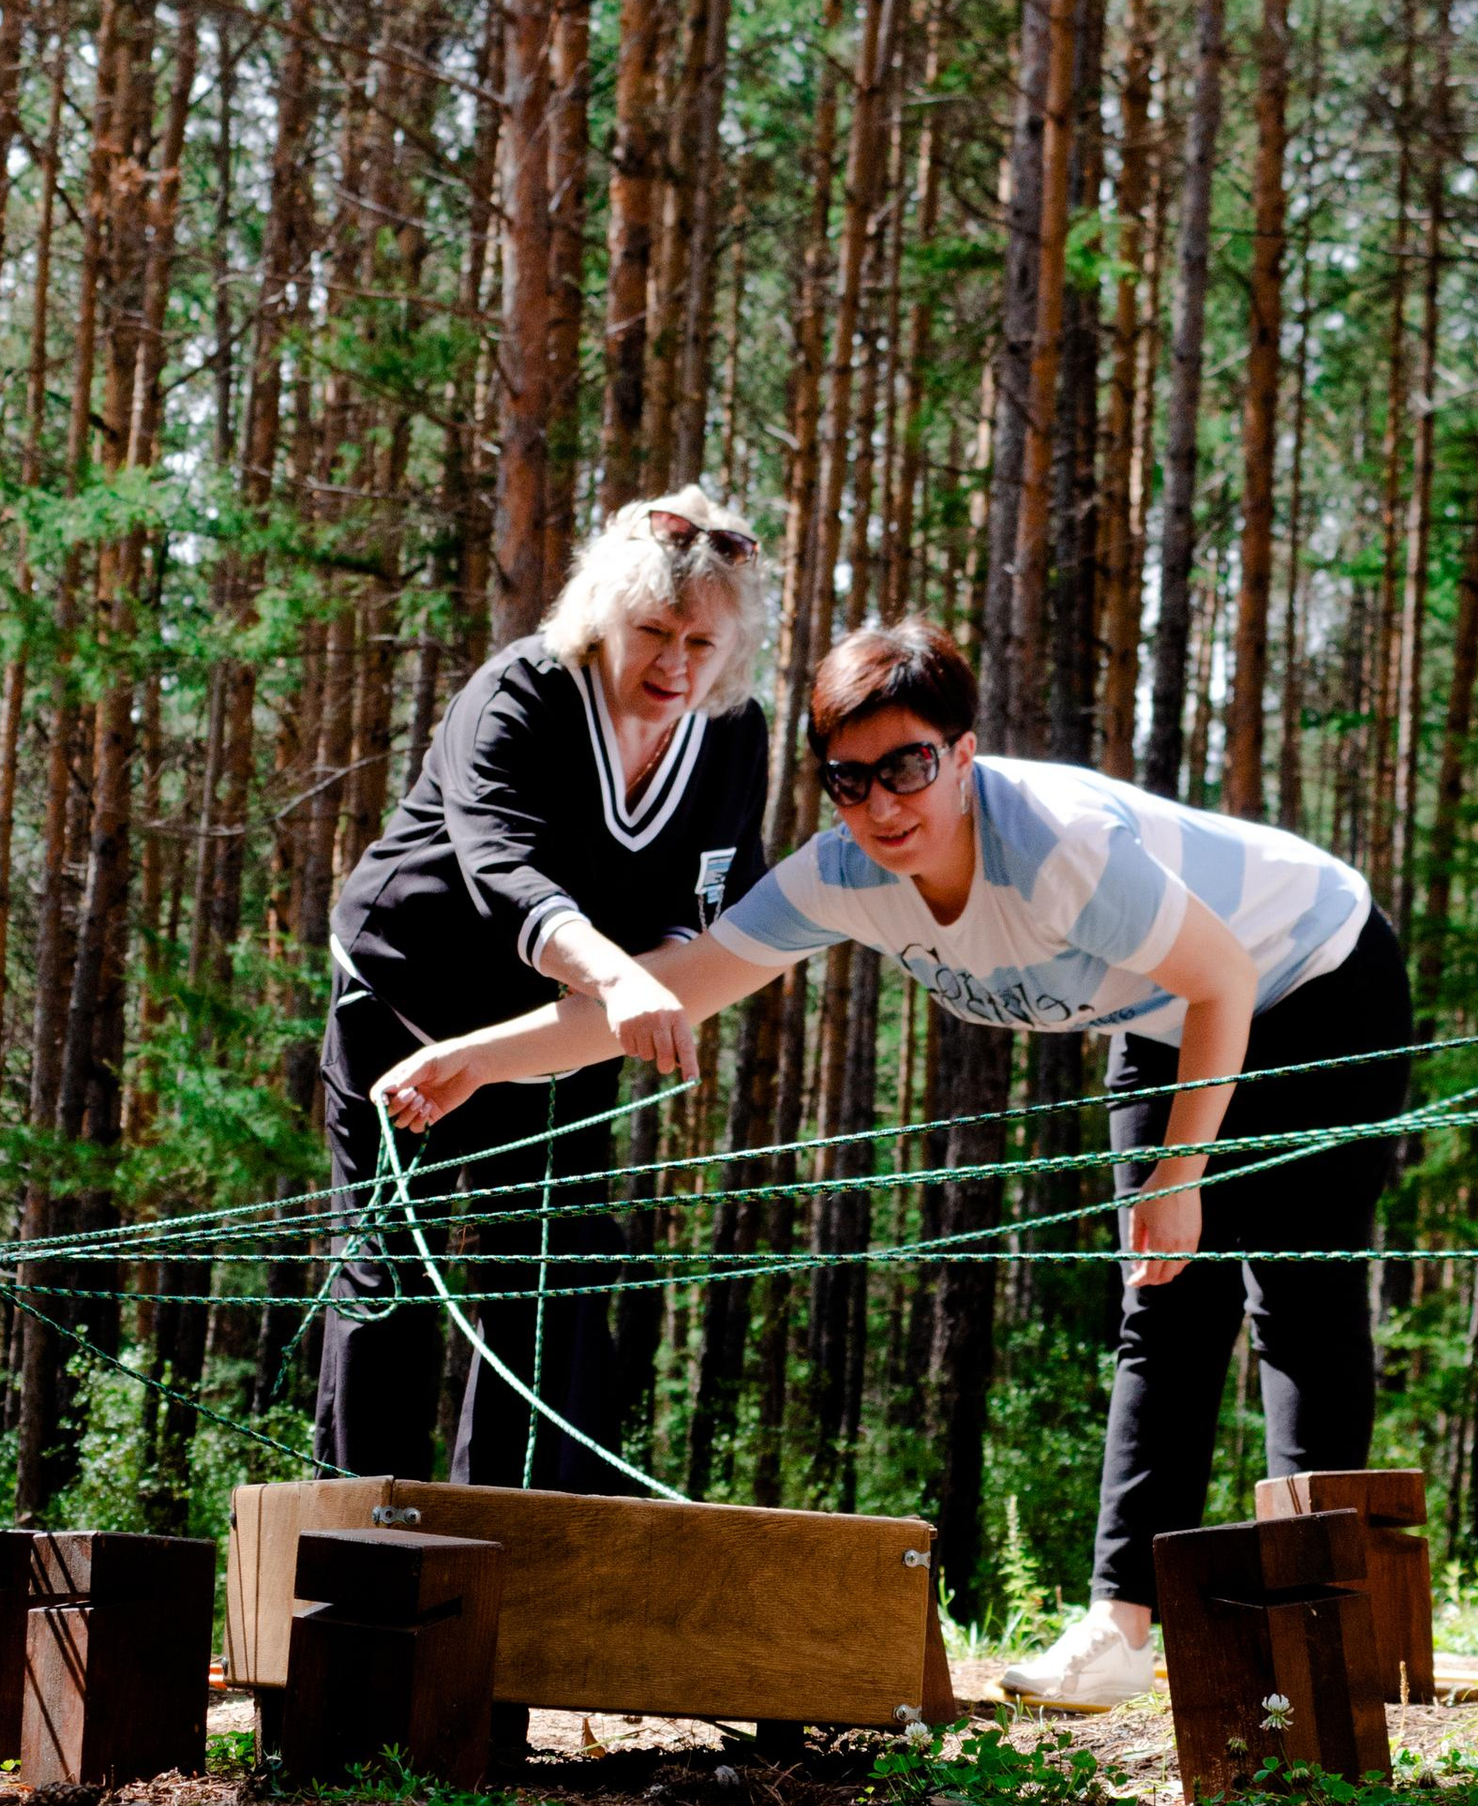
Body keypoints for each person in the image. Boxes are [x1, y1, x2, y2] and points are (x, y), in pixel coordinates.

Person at [377, 614, 1413, 1705]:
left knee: (1294, 1291)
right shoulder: (841, 874)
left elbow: (1222, 982)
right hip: (1163, 1018)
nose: (882, 806)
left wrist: (1179, 1175)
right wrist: (477, 1061)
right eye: (849, 779)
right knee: (1159, 1300)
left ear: (963, 754)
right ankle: (1117, 1626)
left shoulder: (1058, 848)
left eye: (909, 767)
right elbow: (676, 989)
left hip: (1312, 976)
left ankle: (1317, 1617)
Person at [320, 485, 771, 1490]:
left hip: (563, 1029)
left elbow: (712, 887)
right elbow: (501, 869)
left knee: (555, 1274)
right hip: (408, 1002)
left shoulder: (736, 733)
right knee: (390, 1269)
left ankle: (515, 1548)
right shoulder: (520, 691)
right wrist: (619, 977)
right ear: (599, 614)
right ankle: (355, 1539)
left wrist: (644, 977)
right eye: (652, 632)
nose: (674, 663)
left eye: (701, 643)